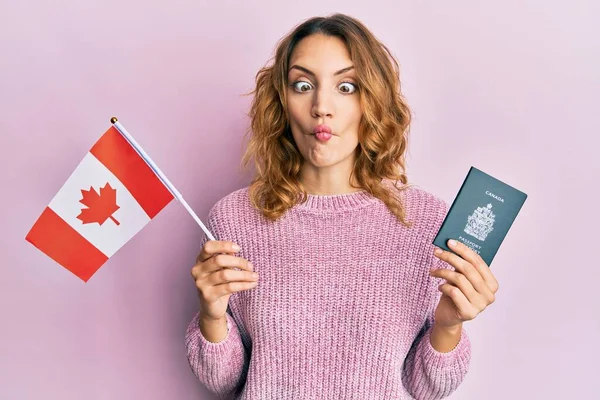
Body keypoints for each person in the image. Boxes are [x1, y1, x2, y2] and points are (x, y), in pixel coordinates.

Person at [185, 13, 499, 400]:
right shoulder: (232, 219)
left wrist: (448, 326)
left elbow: (424, 389)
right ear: (282, 102)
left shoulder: (428, 221)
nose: (321, 107)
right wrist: (212, 316)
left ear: (372, 100)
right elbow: (224, 382)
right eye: (303, 85)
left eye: (346, 87)